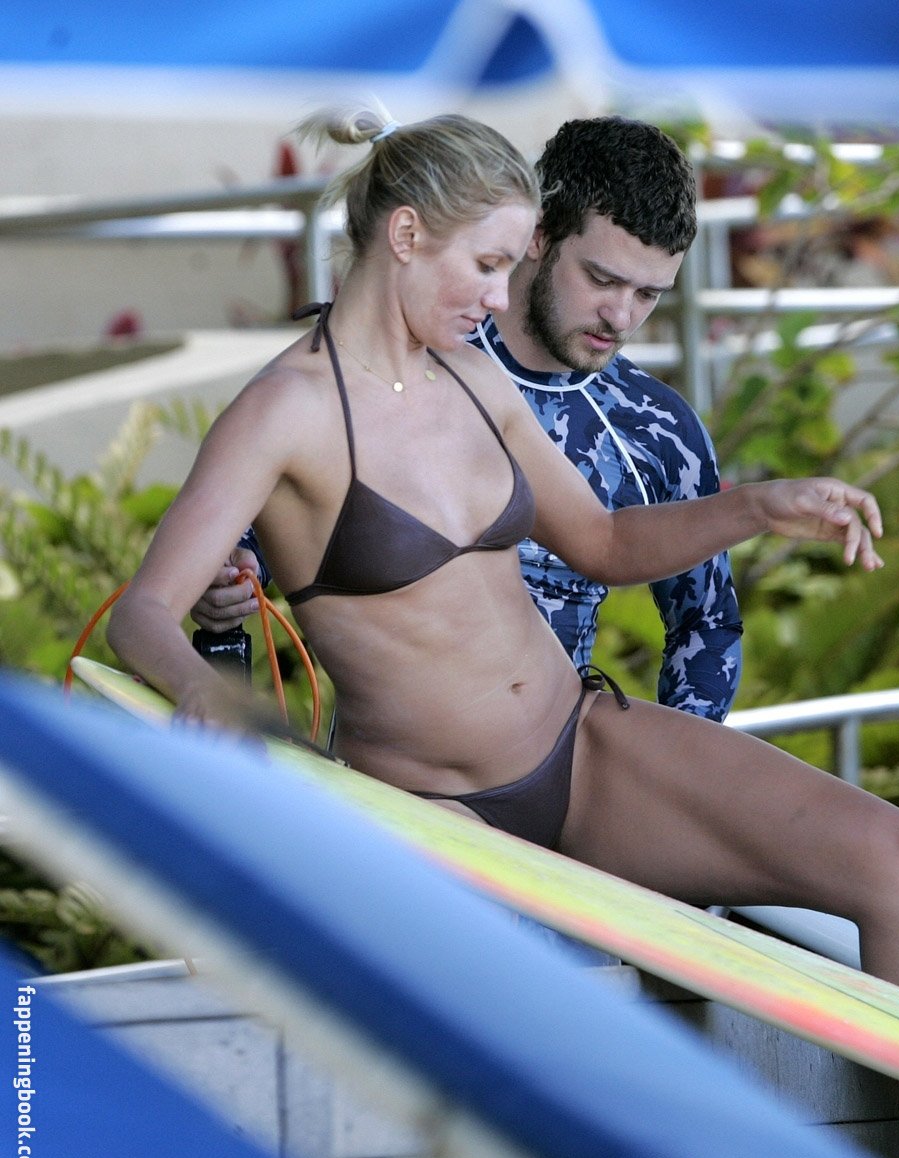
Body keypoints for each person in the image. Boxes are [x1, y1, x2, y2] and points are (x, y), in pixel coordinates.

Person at [107, 104, 899, 1158]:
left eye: (511, 268)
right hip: (429, 810)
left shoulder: (469, 375)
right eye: (488, 264)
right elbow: (144, 611)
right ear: (406, 235)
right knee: (555, 1036)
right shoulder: (285, 411)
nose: (499, 299)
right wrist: (194, 685)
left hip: (576, 747)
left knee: (897, 855)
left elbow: (601, 544)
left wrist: (758, 505)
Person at [191, 116, 743, 723]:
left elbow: (707, 620)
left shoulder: (660, 429)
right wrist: (227, 581)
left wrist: (668, 753)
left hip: (567, 749)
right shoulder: (409, 359)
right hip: (401, 757)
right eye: (601, 279)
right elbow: (265, 529)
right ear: (537, 235)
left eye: (648, 294)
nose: (621, 316)